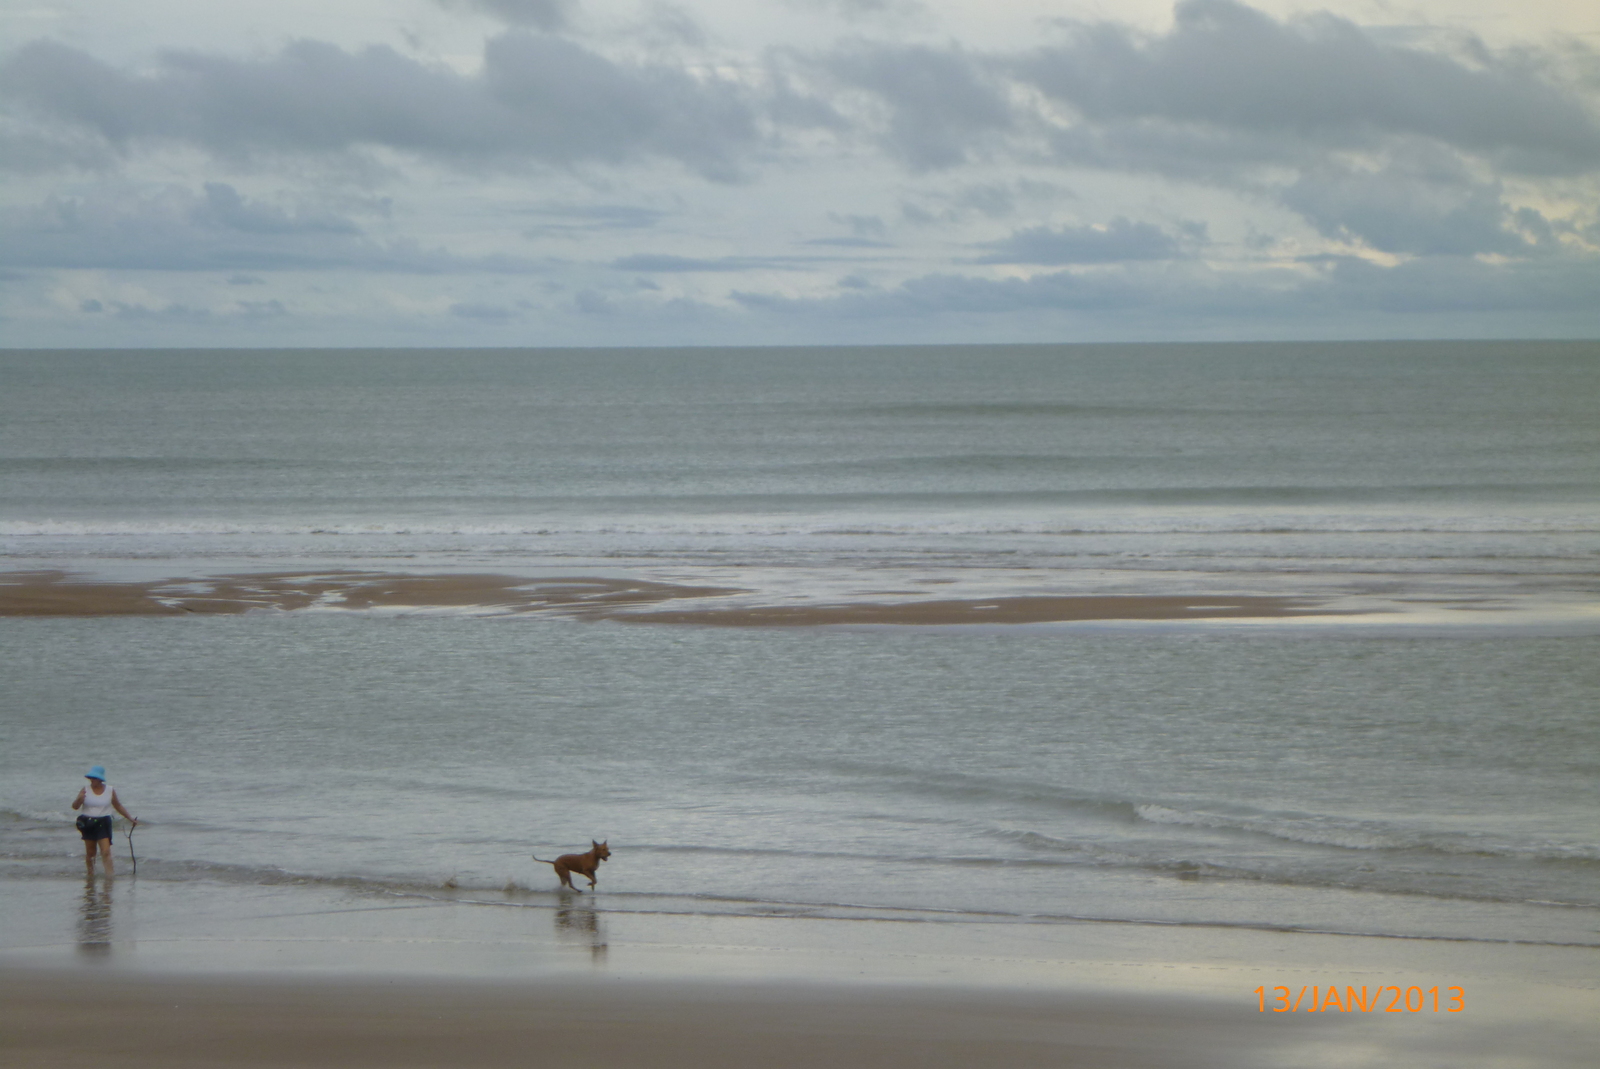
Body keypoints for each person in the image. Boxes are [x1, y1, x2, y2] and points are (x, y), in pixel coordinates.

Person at [72, 766, 137, 878]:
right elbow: (75, 807)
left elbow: (118, 805)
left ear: (100, 779)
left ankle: (109, 876)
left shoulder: (110, 790)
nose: (92, 780)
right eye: (91, 778)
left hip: (104, 822)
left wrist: (130, 818)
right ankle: (90, 875)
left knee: (106, 851)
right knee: (91, 853)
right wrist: (79, 799)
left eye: (94, 778)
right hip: (87, 822)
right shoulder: (85, 790)